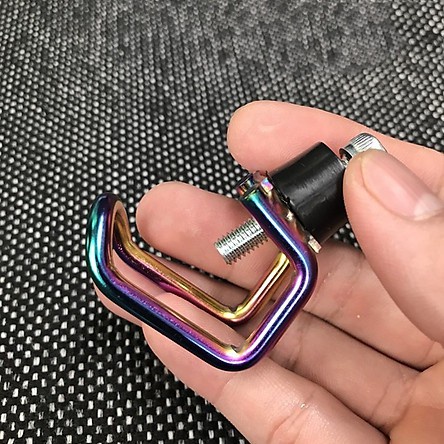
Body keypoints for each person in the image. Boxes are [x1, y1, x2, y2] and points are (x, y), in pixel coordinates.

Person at [96, 101, 444, 443]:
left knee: (238, 314)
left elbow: (241, 338)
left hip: (298, 226)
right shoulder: (303, 251)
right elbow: (239, 317)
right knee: (236, 312)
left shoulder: (309, 251)